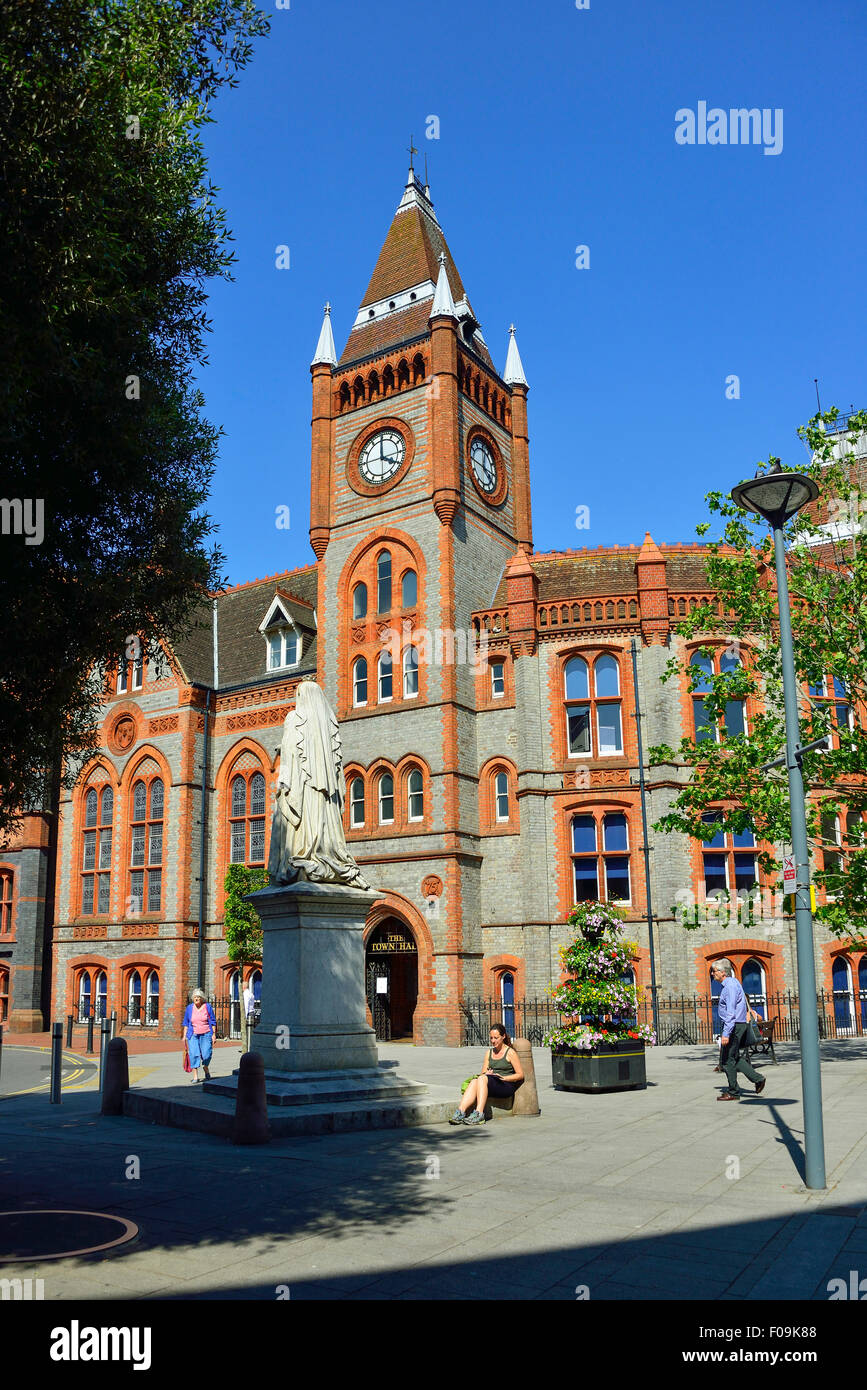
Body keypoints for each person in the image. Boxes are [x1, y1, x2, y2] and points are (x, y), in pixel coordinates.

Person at [449, 1023, 524, 1125]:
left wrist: (505, 1078)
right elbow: (482, 1073)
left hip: (506, 1085)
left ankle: (479, 1114)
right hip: (492, 1082)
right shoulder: (489, 1052)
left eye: (496, 1038)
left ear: (503, 1036)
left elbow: (520, 1075)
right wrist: (487, 1073)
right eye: (491, 1038)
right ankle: (461, 1112)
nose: (493, 1041)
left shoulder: (510, 1052)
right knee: (475, 1080)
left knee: (481, 1079)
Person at [712, 960, 766, 1101]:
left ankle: (733, 1092)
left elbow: (731, 1012)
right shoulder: (734, 983)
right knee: (734, 1057)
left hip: (733, 1026)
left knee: (726, 1060)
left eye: (715, 971)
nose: (713, 973)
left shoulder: (729, 987)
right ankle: (758, 1079)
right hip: (738, 1024)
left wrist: (726, 1033)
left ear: (723, 972)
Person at [182, 988, 216, 1084]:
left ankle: (206, 1068)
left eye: (198, 997)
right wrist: (184, 1036)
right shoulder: (189, 1008)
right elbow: (186, 1023)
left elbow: (213, 1022)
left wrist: (214, 1035)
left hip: (206, 1033)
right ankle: (195, 1076)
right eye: (195, 997)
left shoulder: (207, 1007)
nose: (196, 998)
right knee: (194, 1054)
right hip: (193, 1034)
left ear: (202, 998)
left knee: (206, 1054)